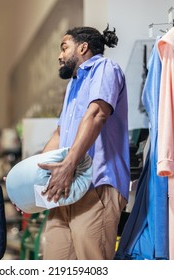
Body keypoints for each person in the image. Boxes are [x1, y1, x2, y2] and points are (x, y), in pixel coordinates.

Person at [38, 26, 130, 260]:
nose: (60, 55)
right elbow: (59, 134)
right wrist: (30, 175)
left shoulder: (105, 68)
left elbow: (97, 114)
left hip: (96, 184)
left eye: (64, 48)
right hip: (67, 188)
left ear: (83, 47)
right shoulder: (74, 84)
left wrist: (69, 165)